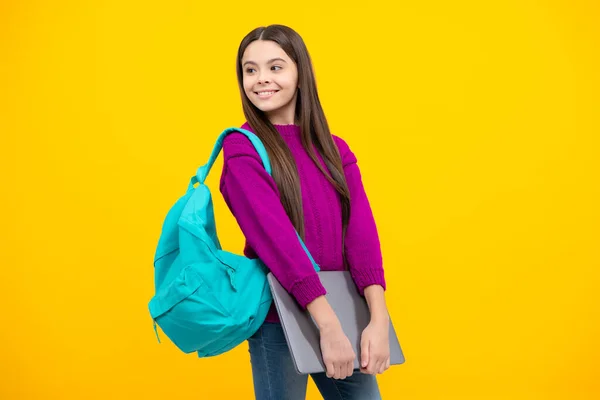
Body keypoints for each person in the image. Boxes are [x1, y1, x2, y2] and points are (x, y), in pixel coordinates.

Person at [219, 24, 390, 400]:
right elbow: (279, 243)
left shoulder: (334, 149)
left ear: (300, 73)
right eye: (250, 70)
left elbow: (361, 237)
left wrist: (379, 320)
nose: (260, 79)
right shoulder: (242, 149)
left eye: (275, 67)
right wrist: (327, 326)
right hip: (280, 322)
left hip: (345, 317)